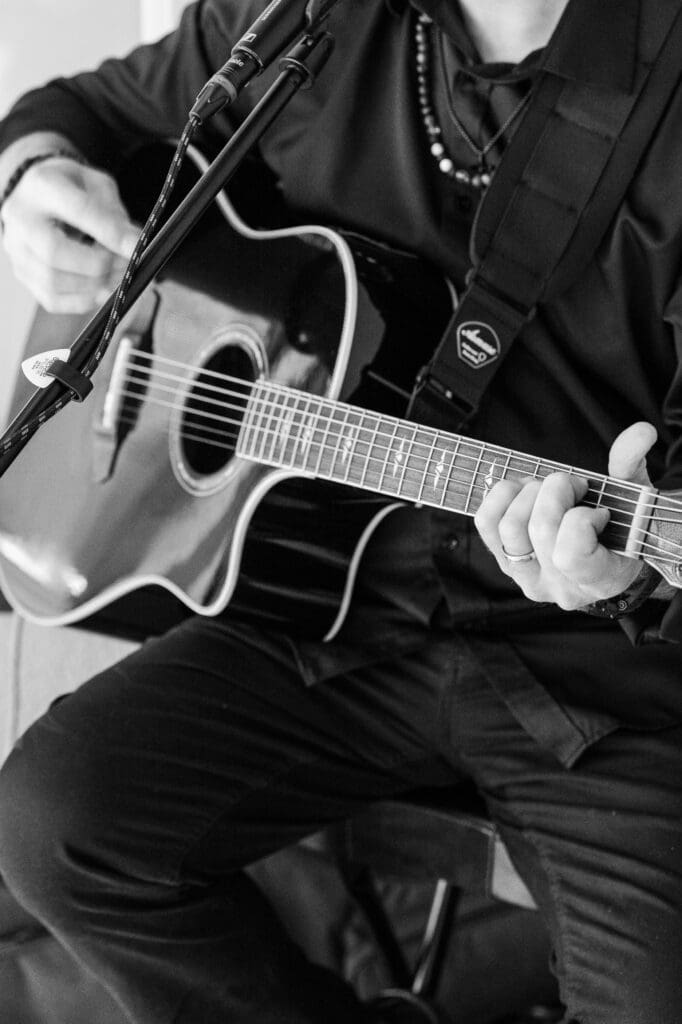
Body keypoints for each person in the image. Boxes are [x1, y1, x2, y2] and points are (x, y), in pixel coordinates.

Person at [1, 0, 682, 1021]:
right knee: (57, 822)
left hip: (592, 667)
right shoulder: (307, 16)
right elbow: (80, 110)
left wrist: (624, 575)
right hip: (338, 616)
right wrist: (31, 177)